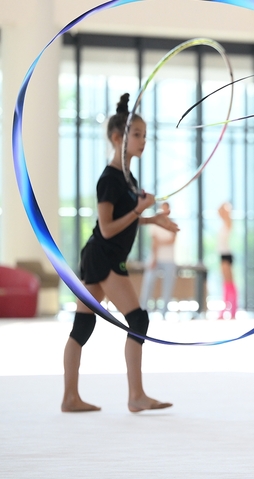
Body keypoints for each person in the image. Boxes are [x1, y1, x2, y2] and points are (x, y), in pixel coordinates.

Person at [62, 93, 177, 413]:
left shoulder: (128, 178)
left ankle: (70, 397)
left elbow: (132, 218)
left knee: (82, 327)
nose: (143, 140)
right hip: (104, 256)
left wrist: (155, 218)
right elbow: (108, 228)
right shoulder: (110, 179)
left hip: (103, 256)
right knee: (138, 319)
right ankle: (136, 396)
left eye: (144, 134)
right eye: (137, 134)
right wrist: (141, 208)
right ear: (117, 138)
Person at [139, 201, 178, 316]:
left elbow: (172, 241)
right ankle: (143, 308)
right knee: (148, 283)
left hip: (169, 259)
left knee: (168, 286)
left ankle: (164, 311)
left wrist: (160, 242)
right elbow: (154, 243)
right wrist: (154, 258)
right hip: (155, 259)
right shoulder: (155, 225)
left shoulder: (173, 224)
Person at [218, 202, 237, 319]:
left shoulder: (228, 222)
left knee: (229, 283)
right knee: (226, 283)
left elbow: (219, 210)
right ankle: (226, 310)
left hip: (226, 255)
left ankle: (232, 310)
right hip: (223, 255)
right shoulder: (224, 223)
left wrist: (226, 205)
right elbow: (219, 210)